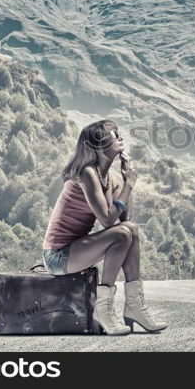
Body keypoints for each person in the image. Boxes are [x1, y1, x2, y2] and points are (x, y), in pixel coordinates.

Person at [41, 119, 168, 335]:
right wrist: (128, 184)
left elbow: (126, 218)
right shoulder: (86, 173)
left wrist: (127, 180)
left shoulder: (111, 179)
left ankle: (135, 306)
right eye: (113, 134)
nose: (119, 137)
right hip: (58, 255)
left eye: (118, 133)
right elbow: (108, 220)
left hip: (78, 249)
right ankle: (103, 309)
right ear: (98, 145)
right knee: (122, 234)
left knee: (131, 230)